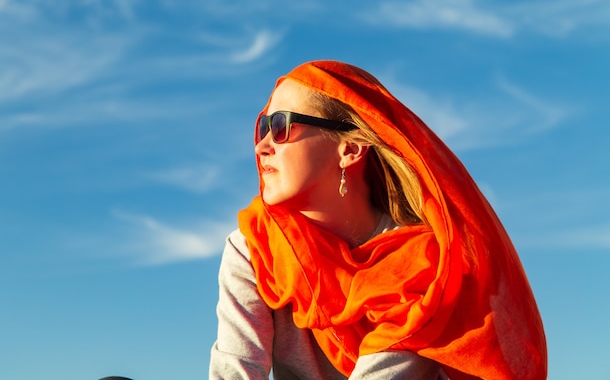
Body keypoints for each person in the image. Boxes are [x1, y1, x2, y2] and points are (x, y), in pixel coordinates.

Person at [209, 60, 547, 380]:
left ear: (350, 149)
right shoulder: (253, 249)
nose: (262, 146)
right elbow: (234, 371)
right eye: (263, 126)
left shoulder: (423, 264)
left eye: (282, 125)